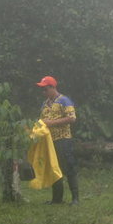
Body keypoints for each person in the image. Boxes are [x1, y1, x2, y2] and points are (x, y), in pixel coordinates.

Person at [36, 75, 79, 204]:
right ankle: (57, 199)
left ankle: (75, 198)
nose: (43, 92)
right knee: (54, 168)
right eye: (42, 90)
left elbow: (72, 118)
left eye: (45, 89)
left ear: (52, 87)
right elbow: (42, 121)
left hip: (63, 139)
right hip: (49, 141)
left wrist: (51, 123)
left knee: (68, 167)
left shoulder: (64, 100)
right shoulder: (44, 104)